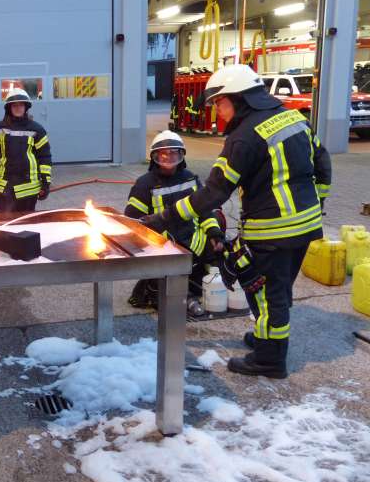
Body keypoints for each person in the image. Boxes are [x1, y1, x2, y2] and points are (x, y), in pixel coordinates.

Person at [142, 64, 331, 379]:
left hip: (274, 230)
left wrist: (164, 217)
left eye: (219, 102)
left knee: (268, 293)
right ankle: (266, 337)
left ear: (238, 97)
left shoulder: (244, 137)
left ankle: (270, 360)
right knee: (277, 287)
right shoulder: (294, 118)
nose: (217, 111)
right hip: (306, 225)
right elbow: (322, 163)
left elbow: (214, 192)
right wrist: (318, 201)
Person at [124, 130, 223, 316]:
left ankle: (213, 284)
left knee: (218, 249)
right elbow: (133, 222)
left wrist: (214, 233)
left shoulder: (190, 178)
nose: (168, 158)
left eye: (173, 153)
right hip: (163, 245)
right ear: (154, 157)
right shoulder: (144, 185)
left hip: (192, 239)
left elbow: (204, 210)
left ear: (181, 155)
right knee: (166, 287)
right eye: (163, 154)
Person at [0, 88, 52, 213]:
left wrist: (46, 183)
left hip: (30, 188)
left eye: (21, 105)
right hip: (6, 187)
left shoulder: (37, 129)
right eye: (14, 105)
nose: (18, 108)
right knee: (5, 225)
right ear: (9, 108)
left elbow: (44, 157)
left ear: (26, 107)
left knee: (26, 226)